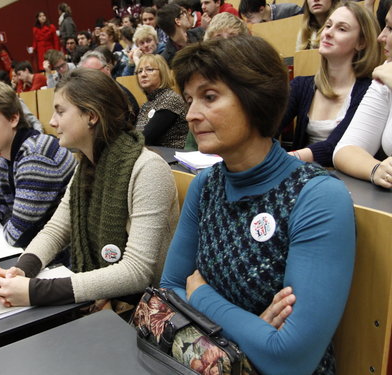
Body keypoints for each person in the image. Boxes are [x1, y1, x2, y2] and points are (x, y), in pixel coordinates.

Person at [161, 36, 355, 374]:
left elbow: (289, 359)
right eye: (190, 99)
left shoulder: (317, 197)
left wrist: (202, 297)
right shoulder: (206, 185)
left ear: (256, 100)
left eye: (209, 97)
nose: (191, 114)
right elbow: (169, 293)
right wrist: (253, 330)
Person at [0, 68, 179, 310]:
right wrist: (21, 271)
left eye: (60, 111)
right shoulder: (87, 167)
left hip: (144, 309)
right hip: (110, 300)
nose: (51, 121)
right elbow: (57, 230)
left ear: (91, 115)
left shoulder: (148, 169)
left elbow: (137, 272)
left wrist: (35, 291)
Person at [0, 82, 77, 248]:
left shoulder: (36, 155)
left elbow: (17, 236)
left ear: (13, 118)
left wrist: (8, 218)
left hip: (69, 261)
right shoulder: (8, 158)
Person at [280, 2, 381, 167]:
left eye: (341, 29)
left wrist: (282, 160)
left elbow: (334, 148)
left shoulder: (369, 91)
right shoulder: (301, 85)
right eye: (328, 26)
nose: (328, 33)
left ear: (361, 43)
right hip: (302, 177)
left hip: (351, 184)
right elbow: (269, 126)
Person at [333, 3, 392, 188]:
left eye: (391, 28)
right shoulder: (387, 74)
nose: (381, 37)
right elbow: (344, 150)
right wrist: (375, 169)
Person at [135, 54, 188, 148]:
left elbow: (146, 137)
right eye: (139, 71)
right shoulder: (146, 105)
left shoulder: (170, 98)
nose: (143, 74)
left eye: (149, 69)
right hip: (153, 155)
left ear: (162, 73)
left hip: (171, 157)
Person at [79, 50, 140, 119]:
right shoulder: (85, 96)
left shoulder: (120, 94)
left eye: (94, 73)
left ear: (107, 69)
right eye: (86, 75)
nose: (91, 78)